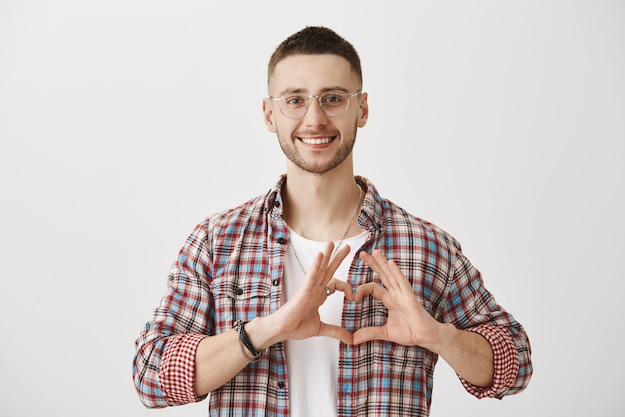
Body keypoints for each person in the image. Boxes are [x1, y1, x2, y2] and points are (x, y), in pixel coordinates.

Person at [132, 26, 532, 416]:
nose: (314, 119)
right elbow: (150, 374)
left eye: (333, 98)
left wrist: (440, 337)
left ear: (362, 109)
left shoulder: (426, 246)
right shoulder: (217, 242)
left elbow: (515, 364)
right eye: (295, 100)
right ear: (269, 113)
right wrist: (265, 331)